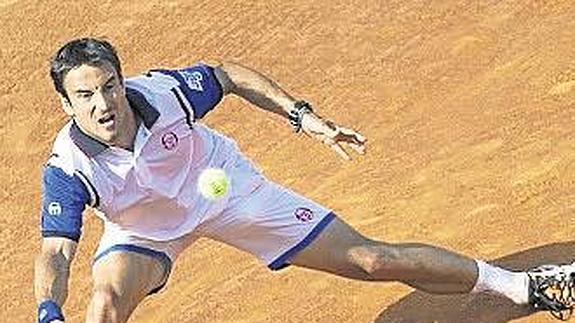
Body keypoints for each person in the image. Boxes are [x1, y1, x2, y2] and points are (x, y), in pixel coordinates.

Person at [34, 37, 575, 323]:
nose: (102, 104)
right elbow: (56, 254)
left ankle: (525, 285)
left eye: (108, 86)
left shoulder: (164, 93)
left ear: (120, 80)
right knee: (104, 301)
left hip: (223, 187)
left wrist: (301, 115)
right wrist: (48, 311)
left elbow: (228, 76)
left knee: (371, 260)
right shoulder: (68, 165)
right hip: (144, 229)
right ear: (66, 102)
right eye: (85, 95)